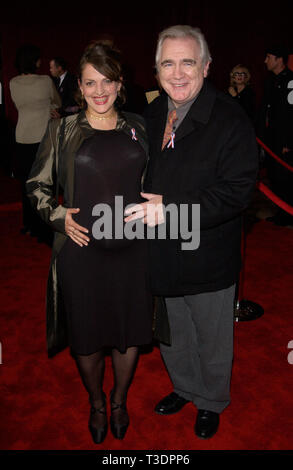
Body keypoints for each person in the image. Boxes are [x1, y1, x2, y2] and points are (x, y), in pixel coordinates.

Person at [125, 25, 258, 439]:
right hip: (159, 251)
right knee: (171, 331)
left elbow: (238, 192)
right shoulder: (149, 114)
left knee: (212, 335)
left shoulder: (230, 118)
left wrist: (170, 208)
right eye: (168, 63)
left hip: (207, 252)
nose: (178, 73)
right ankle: (184, 387)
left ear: (206, 66)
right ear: (156, 70)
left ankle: (211, 400)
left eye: (188, 62)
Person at [26, 40, 153, 444]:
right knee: (86, 333)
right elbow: (37, 185)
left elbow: (157, 179)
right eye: (90, 83)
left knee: (128, 331)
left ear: (120, 84)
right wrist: (60, 218)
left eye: (107, 82)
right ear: (79, 88)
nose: (99, 91)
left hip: (134, 248)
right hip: (81, 251)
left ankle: (119, 401)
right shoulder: (62, 129)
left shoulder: (139, 125)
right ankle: (97, 404)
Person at [9, 44, 61, 239]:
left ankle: (29, 224)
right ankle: (45, 224)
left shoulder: (13, 82)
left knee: (26, 185)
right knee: (44, 184)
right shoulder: (45, 80)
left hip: (22, 136)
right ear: (34, 61)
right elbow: (58, 102)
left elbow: (19, 105)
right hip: (42, 138)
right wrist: (49, 107)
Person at [257, 45, 293, 226]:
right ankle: (282, 212)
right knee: (274, 176)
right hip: (270, 139)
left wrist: (289, 141)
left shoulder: (290, 81)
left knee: (285, 177)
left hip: (284, 140)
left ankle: (288, 213)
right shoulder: (270, 80)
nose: (265, 61)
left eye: (269, 57)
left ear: (279, 59)